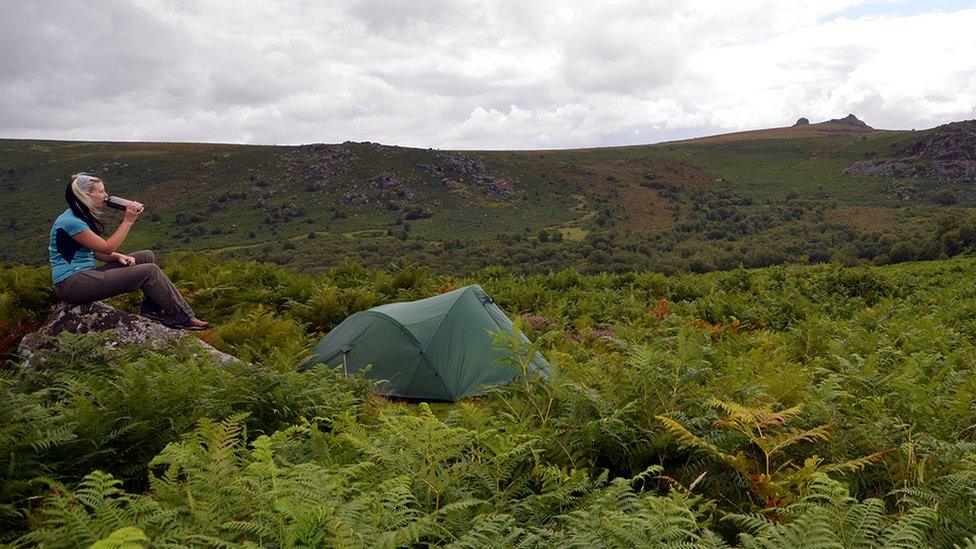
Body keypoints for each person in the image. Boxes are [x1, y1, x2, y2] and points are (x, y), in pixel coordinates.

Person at [49, 173, 209, 330]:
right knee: (149, 271)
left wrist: (119, 256)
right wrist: (128, 220)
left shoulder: (79, 216)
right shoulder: (71, 222)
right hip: (72, 284)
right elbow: (107, 247)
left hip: (85, 276)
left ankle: (152, 310)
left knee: (146, 256)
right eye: (101, 191)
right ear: (86, 194)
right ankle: (181, 317)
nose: (106, 195)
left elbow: (97, 253)